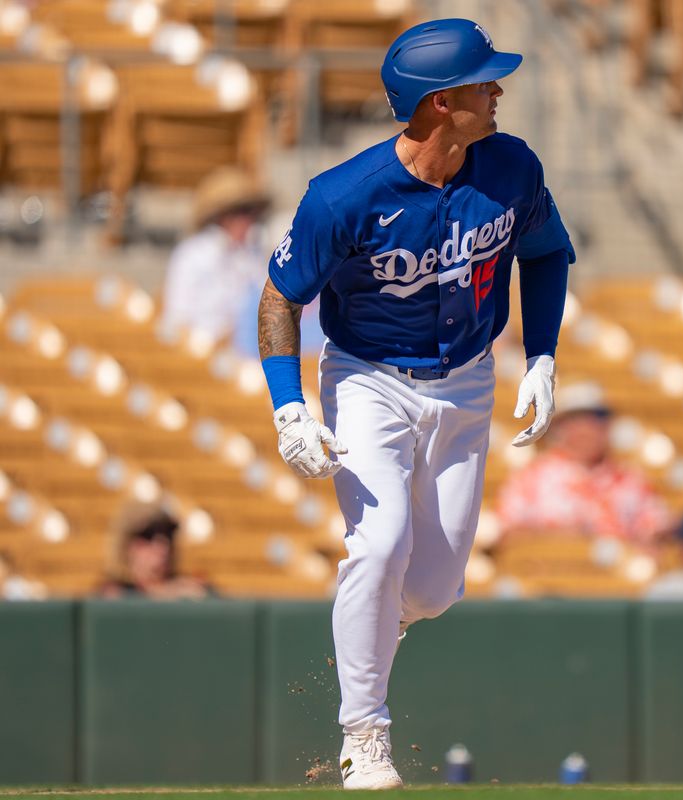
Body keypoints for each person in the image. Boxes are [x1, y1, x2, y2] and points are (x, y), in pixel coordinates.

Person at [256, 19, 575, 789]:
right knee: (378, 543)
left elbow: (546, 252)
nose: (497, 90)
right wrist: (289, 407)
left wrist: (541, 357)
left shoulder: (511, 167)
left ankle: (376, 620)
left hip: (466, 381)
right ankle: (364, 737)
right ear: (438, 104)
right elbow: (279, 297)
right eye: (481, 82)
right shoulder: (344, 196)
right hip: (369, 376)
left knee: (431, 592)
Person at [496, 383, 671, 545]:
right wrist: (560, 538)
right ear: (560, 427)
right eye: (578, 420)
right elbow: (506, 532)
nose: (588, 429)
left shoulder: (629, 479)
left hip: (615, 574)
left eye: (598, 419)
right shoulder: (532, 477)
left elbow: (658, 527)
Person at [160, 166, 271, 341]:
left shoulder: (252, 255)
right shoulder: (192, 255)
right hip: (202, 353)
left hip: (247, 353)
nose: (249, 220)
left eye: (252, 212)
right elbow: (176, 322)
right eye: (241, 211)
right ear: (222, 216)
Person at [96, 504, 211, 600]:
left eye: (168, 535)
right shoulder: (112, 595)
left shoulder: (192, 591)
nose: (163, 546)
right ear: (127, 544)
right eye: (149, 535)